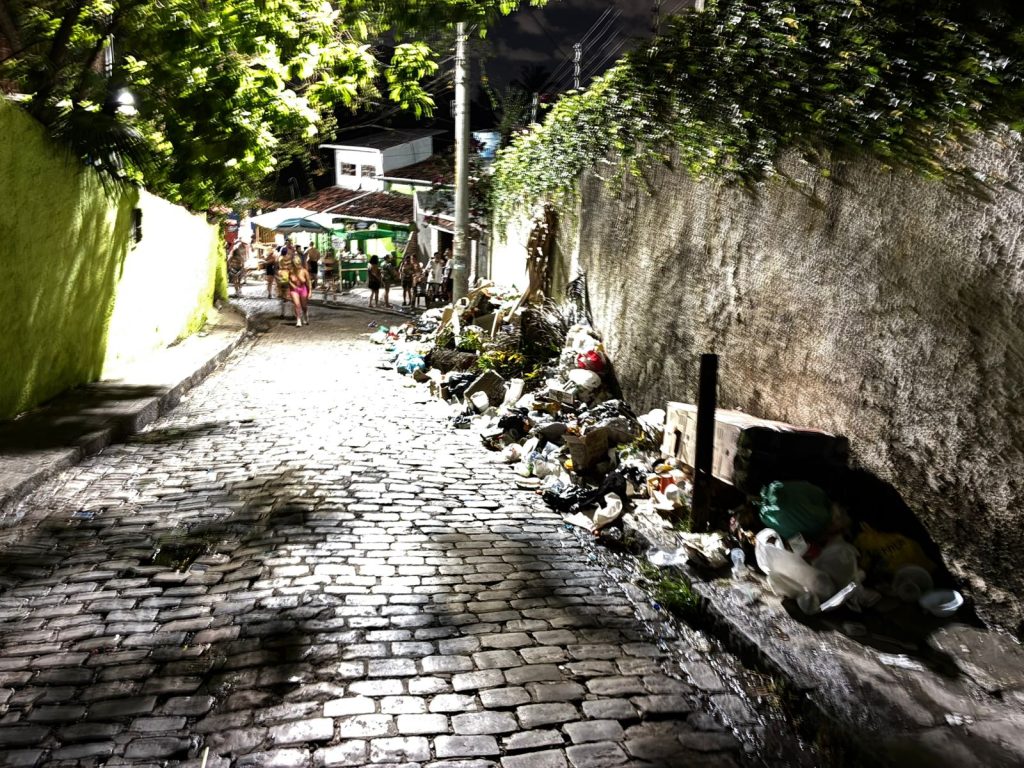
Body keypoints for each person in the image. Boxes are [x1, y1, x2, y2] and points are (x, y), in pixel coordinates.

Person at [288, 256, 311, 326]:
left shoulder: (304, 271)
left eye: (298, 264)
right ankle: (298, 319)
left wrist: (310, 291)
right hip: (294, 290)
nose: (298, 266)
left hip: (303, 289)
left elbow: (308, 282)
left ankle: (305, 314)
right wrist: (292, 285)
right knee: (297, 304)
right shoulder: (291, 271)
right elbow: (288, 280)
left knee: (304, 306)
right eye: (296, 265)